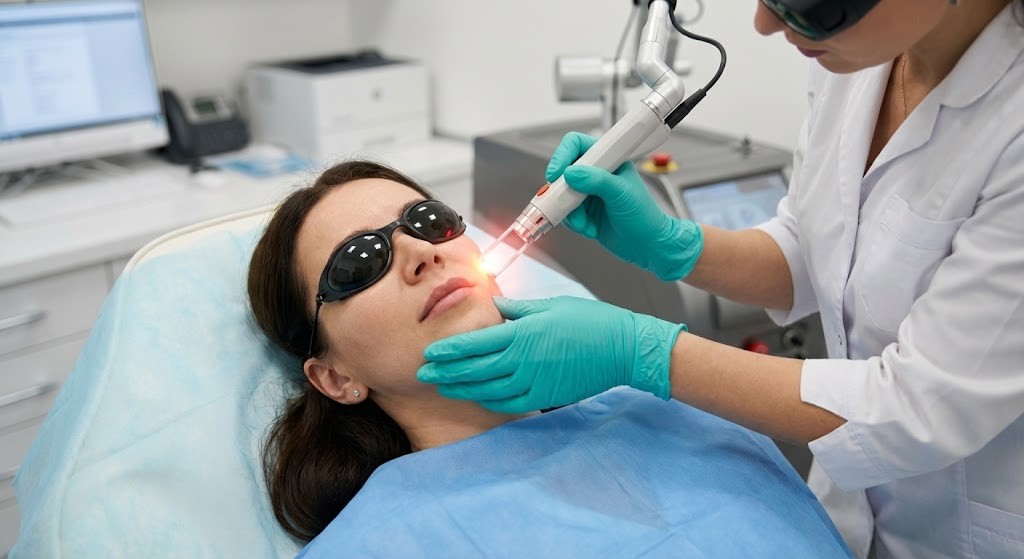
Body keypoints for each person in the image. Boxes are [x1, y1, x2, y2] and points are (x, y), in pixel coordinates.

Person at [417, 1, 1024, 558]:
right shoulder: (857, 62)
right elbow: (814, 248)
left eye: (806, 2)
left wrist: (642, 352)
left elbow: (918, 407)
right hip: (835, 523)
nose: (765, 25)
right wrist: (673, 245)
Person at [245, 160, 852, 557]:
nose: (420, 252)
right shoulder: (373, 543)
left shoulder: (675, 413)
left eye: (428, 221)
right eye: (360, 261)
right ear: (335, 377)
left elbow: (892, 412)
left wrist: (649, 343)